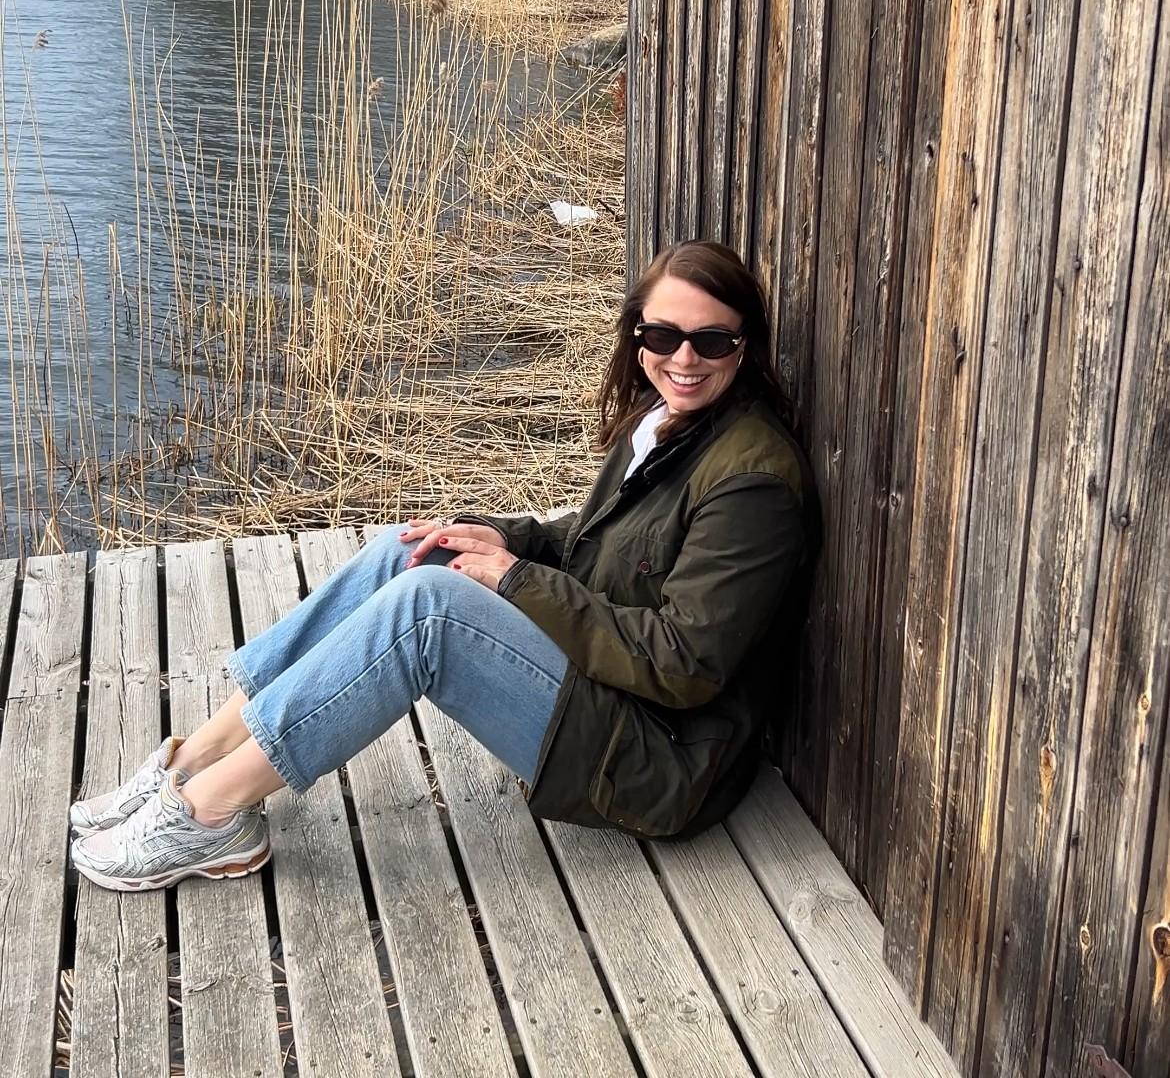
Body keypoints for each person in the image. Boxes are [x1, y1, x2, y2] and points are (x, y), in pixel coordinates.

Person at [70, 240, 818, 892]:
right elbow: (596, 544)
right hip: (605, 697)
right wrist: (486, 536)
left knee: (428, 612)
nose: (683, 357)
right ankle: (194, 760)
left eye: (711, 342)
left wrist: (513, 577)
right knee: (413, 549)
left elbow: (685, 663)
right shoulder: (664, 423)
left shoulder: (751, 481)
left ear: (743, 346)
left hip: (655, 761)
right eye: (663, 333)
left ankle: (209, 815)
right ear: (637, 333)